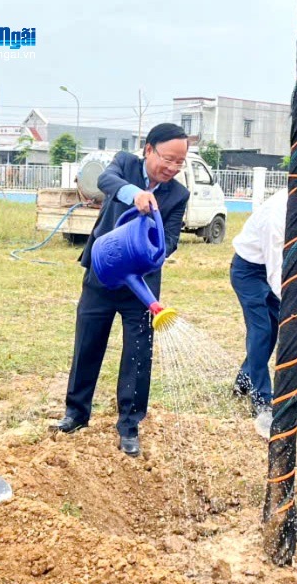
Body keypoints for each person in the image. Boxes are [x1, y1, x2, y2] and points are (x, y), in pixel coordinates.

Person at [51, 123, 190, 457]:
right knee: (88, 343)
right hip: (101, 274)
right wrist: (136, 195)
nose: (172, 168)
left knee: (138, 355)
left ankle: (129, 425)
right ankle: (75, 413)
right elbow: (105, 181)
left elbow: (170, 239)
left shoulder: (178, 195)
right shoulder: (124, 164)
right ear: (148, 150)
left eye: (179, 163)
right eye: (168, 159)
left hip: (139, 286)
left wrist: (150, 249)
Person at [230, 170, 297, 439]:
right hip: (249, 272)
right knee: (262, 332)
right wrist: (291, 305)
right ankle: (262, 399)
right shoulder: (277, 215)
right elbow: (276, 269)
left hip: (267, 271)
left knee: (271, 331)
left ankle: (243, 381)